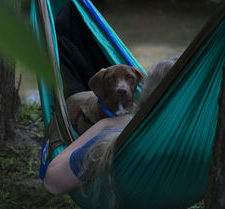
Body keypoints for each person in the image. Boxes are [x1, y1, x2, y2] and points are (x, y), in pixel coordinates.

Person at [43, 55, 180, 195]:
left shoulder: (149, 124)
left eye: (130, 79)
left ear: (141, 84)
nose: (122, 87)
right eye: (112, 79)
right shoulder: (94, 123)